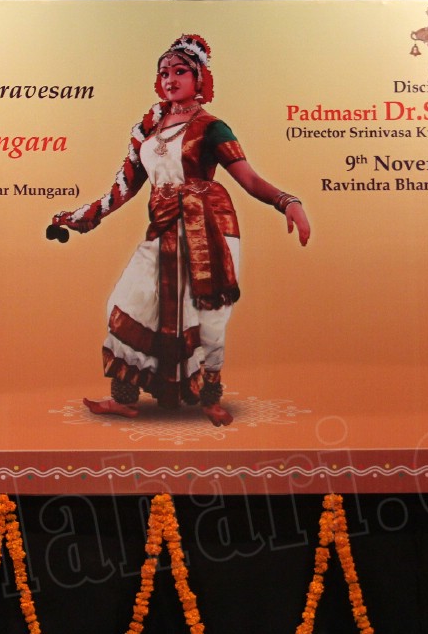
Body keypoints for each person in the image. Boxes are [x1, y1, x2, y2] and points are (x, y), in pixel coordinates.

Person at [49, 34, 309, 426]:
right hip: (164, 228)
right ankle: (123, 396)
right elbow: (124, 187)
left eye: (181, 71)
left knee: (208, 316)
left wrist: (287, 201)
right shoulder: (148, 129)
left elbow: (249, 179)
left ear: (199, 78)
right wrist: (82, 215)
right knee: (129, 302)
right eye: (164, 72)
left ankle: (210, 397)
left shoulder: (212, 127)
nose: (171, 79)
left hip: (206, 230)